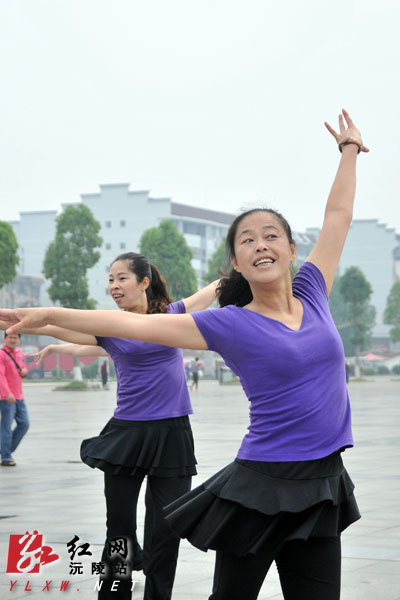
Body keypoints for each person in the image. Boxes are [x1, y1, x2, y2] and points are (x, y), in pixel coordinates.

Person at [0, 109, 368, 600]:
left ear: (291, 248)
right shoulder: (223, 323)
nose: (261, 244)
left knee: (177, 538)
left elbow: (338, 218)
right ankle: (118, 585)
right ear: (236, 261)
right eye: (247, 240)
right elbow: (117, 326)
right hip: (236, 473)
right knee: (146, 544)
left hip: (304, 476)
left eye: (270, 235)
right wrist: (44, 317)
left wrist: (349, 150)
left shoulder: (310, 291)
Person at [7, 252, 220, 600]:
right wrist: (17, 321)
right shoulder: (109, 326)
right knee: (119, 532)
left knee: (166, 531)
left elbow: (209, 292)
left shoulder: (172, 316)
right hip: (127, 436)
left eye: (122, 278)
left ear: (144, 282)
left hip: (173, 436)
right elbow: (49, 325)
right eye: (110, 279)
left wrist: (238, 271)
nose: (114, 286)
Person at [0, 332, 29, 466]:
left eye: (15, 338)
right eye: (10, 337)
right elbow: (0, 376)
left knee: (24, 424)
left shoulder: (19, 353)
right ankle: (6, 457)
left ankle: (4, 450)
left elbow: (23, 368)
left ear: (19, 340)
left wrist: (24, 371)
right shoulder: (1, 354)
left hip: (19, 396)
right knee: (6, 427)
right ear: (5, 339)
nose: (13, 340)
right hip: (7, 397)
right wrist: (7, 393)